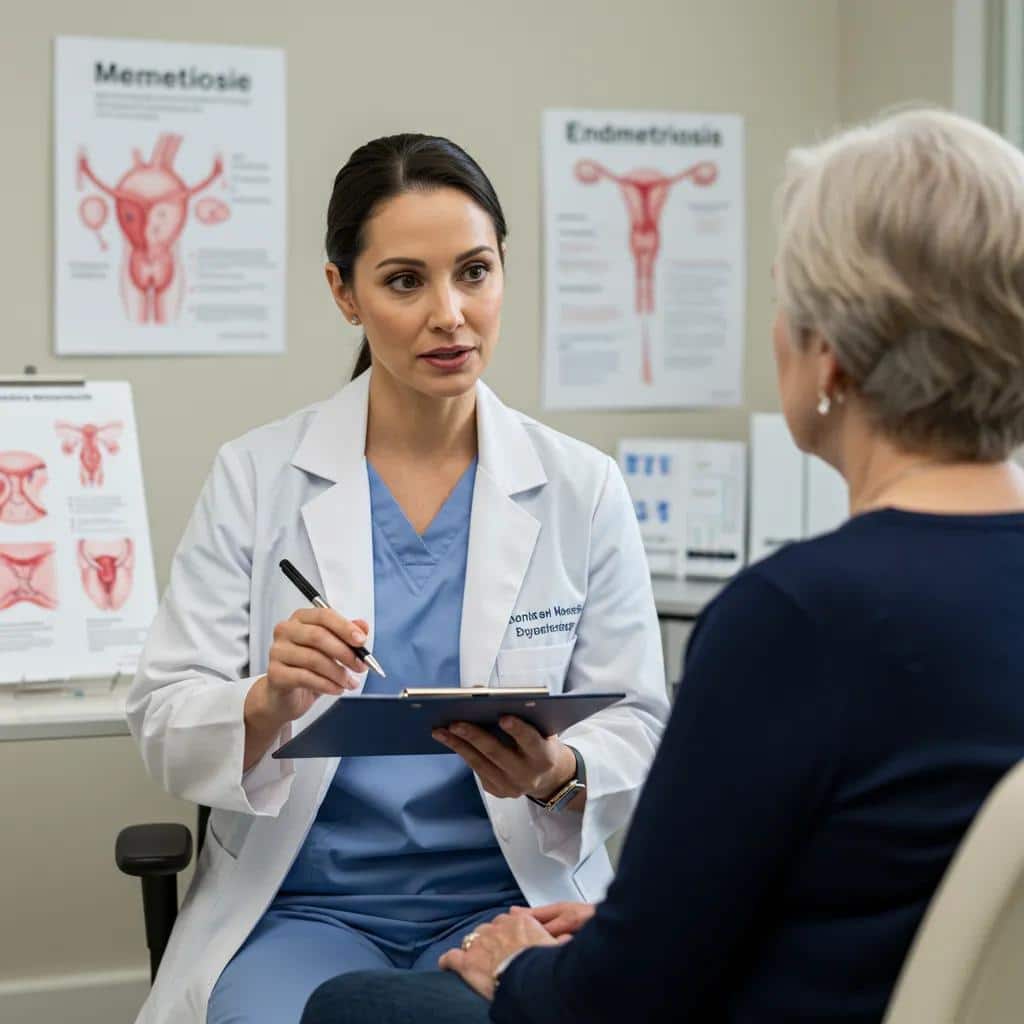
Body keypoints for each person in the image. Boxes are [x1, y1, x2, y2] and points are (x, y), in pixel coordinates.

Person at [301, 108, 1024, 1024]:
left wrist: (525, 965)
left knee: (355, 1008)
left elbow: (621, 998)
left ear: (828, 353)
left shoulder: (796, 621)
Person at [125, 133, 669, 1024]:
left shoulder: (580, 486)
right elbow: (163, 716)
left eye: (475, 272)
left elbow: (640, 722)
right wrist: (268, 699)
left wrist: (555, 768)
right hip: (300, 909)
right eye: (405, 280)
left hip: (515, 901)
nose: (450, 313)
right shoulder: (258, 476)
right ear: (346, 293)